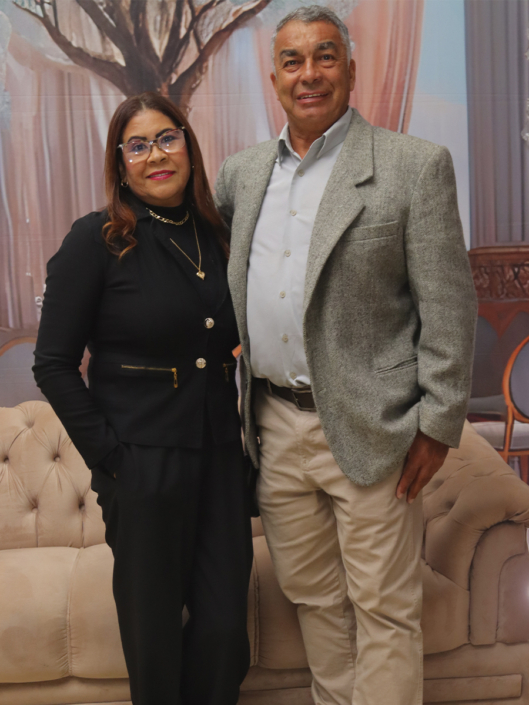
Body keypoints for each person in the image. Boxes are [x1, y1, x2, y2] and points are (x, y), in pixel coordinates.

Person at [215, 6, 477, 705]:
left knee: (383, 607)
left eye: (325, 56)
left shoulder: (413, 166)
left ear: (351, 70)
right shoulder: (241, 175)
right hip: (273, 425)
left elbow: (449, 306)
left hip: (373, 424)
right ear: (274, 78)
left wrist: (437, 423)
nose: (309, 74)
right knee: (314, 600)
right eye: (293, 61)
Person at [33, 92, 253, 705]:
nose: (156, 155)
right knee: (154, 638)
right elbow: (52, 364)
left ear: (189, 147)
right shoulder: (96, 240)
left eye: (167, 138)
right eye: (137, 146)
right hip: (142, 463)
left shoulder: (219, 235)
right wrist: (113, 460)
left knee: (224, 632)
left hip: (220, 461)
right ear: (120, 163)